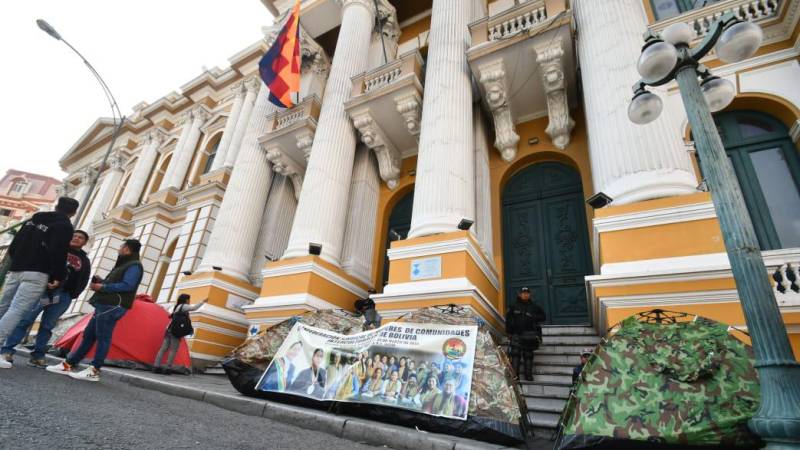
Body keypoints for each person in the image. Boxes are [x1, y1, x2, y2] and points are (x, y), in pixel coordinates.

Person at [46, 239, 143, 381]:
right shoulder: (126, 263)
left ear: (127, 249)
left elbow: (127, 285)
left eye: (121, 246)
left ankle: (94, 370)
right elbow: (119, 284)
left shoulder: (134, 265)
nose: (119, 249)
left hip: (112, 306)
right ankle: (69, 364)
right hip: (105, 305)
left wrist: (102, 287)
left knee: (103, 337)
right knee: (89, 335)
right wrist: (102, 282)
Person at [0, 197, 77, 369]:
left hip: (17, 269)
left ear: (56, 207)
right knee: (17, 310)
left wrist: (17, 261)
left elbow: (14, 245)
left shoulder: (33, 220)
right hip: (38, 272)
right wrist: (57, 275)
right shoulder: (64, 226)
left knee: (3, 305)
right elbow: (58, 252)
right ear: (73, 213)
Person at [1, 230, 91, 368]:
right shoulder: (57, 249)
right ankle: (7, 350)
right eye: (74, 235)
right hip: (44, 291)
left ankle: (37, 356)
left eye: (81, 238)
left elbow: (84, 279)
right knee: (25, 320)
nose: (77, 238)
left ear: (85, 242)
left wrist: (74, 294)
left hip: (62, 296)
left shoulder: (85, 260)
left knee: (47, 326)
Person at [152, 294, 207, 374]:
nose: (189, 301)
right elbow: (194, 308)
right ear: (185, 300)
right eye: (188, 299)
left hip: (169, 330)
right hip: (175, 332)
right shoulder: (184, 306)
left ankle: (156, 366)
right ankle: (167, 368)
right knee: (173, 350)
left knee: (163, 349)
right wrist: (203, 302)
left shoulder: (177, 306)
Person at [505, 286, 546, 381]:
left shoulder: (535, 307)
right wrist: (508, 332)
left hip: (530, 334)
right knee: (515, 354)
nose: (525, 294)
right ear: (519, 294)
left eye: (527, 293)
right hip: (516, 334)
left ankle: (528, 376)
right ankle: (515, 376)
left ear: (529, 294)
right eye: (523, 293)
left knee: (528, 355)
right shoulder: (513, 306)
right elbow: (508, 319)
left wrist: (533, 316)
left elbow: (543, 317)